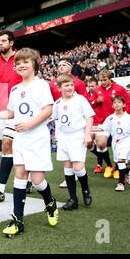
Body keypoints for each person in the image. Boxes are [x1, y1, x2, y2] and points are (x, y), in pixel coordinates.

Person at [0, 48, 59, 237]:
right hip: (21, 138)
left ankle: (49, 202)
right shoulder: (15, 89)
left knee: (37, 181)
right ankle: (17, 220)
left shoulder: (41, 85)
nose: (21, 65)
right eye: (18, 63)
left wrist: (28, 125)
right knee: (19, 174)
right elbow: (11, 113)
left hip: (37, 138)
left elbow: (48, 110)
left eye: (25, 61)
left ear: (35, 64)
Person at [0, 30, 31, 203]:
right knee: (9, 145)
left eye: (4, 41)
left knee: (14, 145)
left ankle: (2, 187)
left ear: (11, 43)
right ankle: (12, 185)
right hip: (5, 110)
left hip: (23, 109)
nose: (0, 43)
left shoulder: (21, 59)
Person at [52, 74, 94, 210]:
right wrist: (56, 135)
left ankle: (85, 189)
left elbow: (89, 117)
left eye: (71, 84)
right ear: (59, 88)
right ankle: (73, 199)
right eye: (66, 85)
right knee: (68, 167)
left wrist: (87, 134)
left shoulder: (80, 99)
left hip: (77, 136)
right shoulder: (57, 103)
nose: (70, 87)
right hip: (64, 138)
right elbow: (56, 120)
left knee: (78, 168)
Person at [49, 60, 88, 188]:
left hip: (76, 122)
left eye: (64, 65)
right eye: (59, 65)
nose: (60, 67)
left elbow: (83, 103)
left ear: (70, 68)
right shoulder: (53, 83)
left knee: (85, 151)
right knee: (66, 157)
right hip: (60, 119)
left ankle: (81, 176)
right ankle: (70, 178)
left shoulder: (79, 83)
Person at [89, 70, 130, 179]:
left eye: (105, 80)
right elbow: (91, 105)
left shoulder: (119, 88)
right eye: (101, 80)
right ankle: (109, 165)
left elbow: (128, 104)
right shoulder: (97, 90)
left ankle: (118, 168)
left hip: (118, 122)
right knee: (101, 143)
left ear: (110, 78)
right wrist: (96, 101)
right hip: (103, 123)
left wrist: (126, 118)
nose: (102, 82)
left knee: (119, 147)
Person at [102, 96, 130, 191]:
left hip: (126, 141)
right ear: (112, 105)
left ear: (124, 104)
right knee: (120, 163)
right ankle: (127, 172)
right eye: (115, 103)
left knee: (121, 160)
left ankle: (120, 183)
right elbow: (104, 129)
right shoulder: (110, 118)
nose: (117, 104)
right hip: (115, 142)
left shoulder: (129, 118)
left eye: (119, 102)